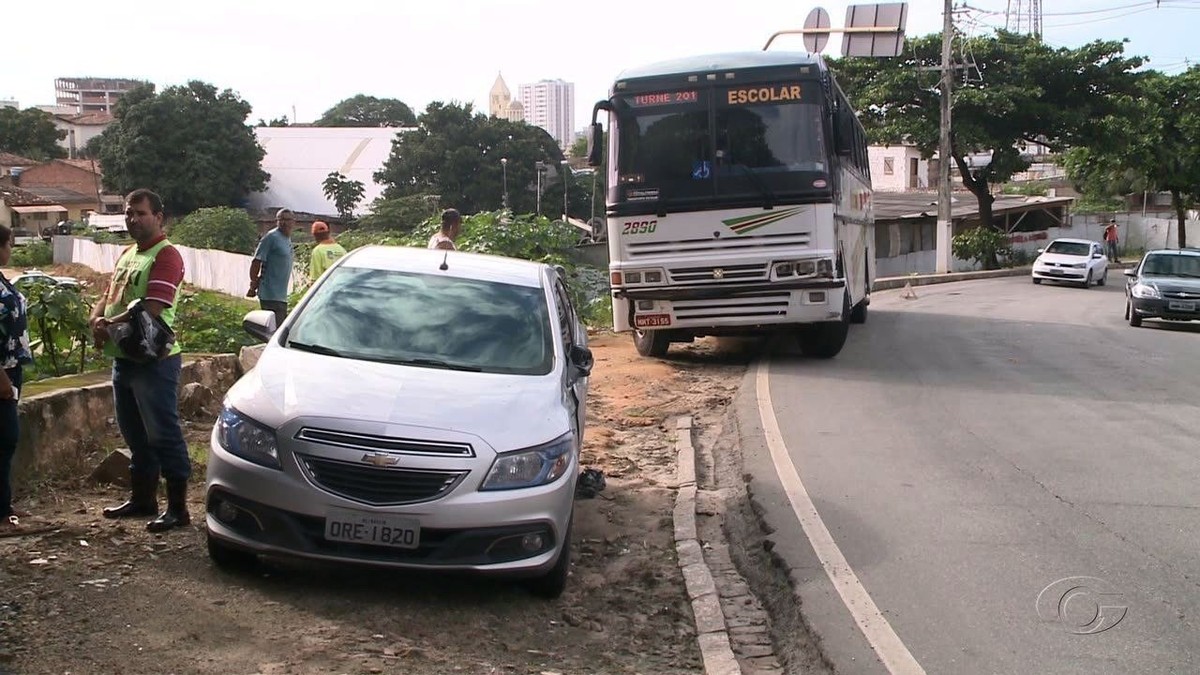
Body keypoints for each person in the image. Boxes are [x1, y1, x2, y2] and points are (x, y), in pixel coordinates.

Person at [89, 189, 191, 533]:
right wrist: (95, 318)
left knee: (163, 434)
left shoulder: (166, 256)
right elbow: (109, 296)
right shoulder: (127, 253)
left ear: (158, 217)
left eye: (141, 213)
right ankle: (143, 499)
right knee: (134, 433)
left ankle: (178, 508)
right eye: (129, 213)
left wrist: (107, 326)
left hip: (154, 362)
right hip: (124, 358)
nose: (133, 219)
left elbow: (153, 307)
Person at [0, 224, 34, 529]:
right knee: (5, 437)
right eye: (9, 244)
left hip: (10, 369)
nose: (11, 250)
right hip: (2, 374)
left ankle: (4, 505)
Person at [248, 208, 295, 328]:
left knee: (279, 329)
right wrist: (254, 283)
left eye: (287, 220)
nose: (284, 223)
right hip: (270, 294)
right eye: (281, 220)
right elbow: (256, 261)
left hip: (281, 295)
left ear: (293, 222)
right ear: (277, 221)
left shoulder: (287, 238)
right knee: (276, 330)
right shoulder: (271, 237)